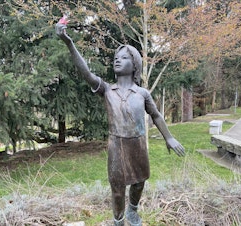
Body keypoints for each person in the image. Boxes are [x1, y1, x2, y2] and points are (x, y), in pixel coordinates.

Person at [56, 21, 185, 226]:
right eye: (116, 58)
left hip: (138, 144)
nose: (117, 60)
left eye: (124, 57)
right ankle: (118, 220)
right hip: (116, 145)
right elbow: (86, 73)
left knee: (139, 181)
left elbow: (156, 115)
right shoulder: (107, 90)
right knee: (117, 188)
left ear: (134, 65)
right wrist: (69, 43)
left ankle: (133, 209)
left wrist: (169, 137)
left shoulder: (142, 93)